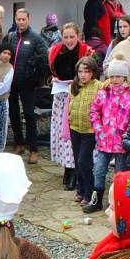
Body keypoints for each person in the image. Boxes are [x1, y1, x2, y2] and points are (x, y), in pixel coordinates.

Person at [84, 54, 130, 213]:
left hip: (122, 143)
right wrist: (99, 130)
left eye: (118, 76)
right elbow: (94, 112)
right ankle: (96, 201)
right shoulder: (103, 92)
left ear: (124, 77)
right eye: (112, 76)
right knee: (99, 170)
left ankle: (117, 203)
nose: (115, 79)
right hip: (104, 141)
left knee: (119, 174)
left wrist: (129, 132)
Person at [0, 8, 49, 164]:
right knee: (13, 113)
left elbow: (44, 60)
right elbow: (3, 55)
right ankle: (19, 143)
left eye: (23, 19)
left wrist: (35, 76)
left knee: (28, 114)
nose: (21, 22)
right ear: (15, 19)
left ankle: (33, 149)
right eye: (18, 19)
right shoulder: (11, 37)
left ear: (29, 20)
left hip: (28, 83)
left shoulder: (36, 39)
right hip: (12, 83)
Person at [49, 22, 94, 190]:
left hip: (80, 95)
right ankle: (67, 169)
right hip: (61, 96)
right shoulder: (55, 52)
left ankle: (76, 171)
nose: (68, 40)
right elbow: (51, 72)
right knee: (62, 135)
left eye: (72, 37)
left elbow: (93, 72)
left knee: (75, 132)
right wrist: (52, 79)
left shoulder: (87, 52)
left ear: (78, 36)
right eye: (65, 37)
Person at [68, 56, 102, 206]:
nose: (83, 75)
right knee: (77, 161)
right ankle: (80, 189)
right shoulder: (73, 86)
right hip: (75, 128)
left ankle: (89, 192)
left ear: (93, 72)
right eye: (80, 71)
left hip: (90, 130)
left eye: (86, 71)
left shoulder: (99, 86)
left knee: (84, 162)